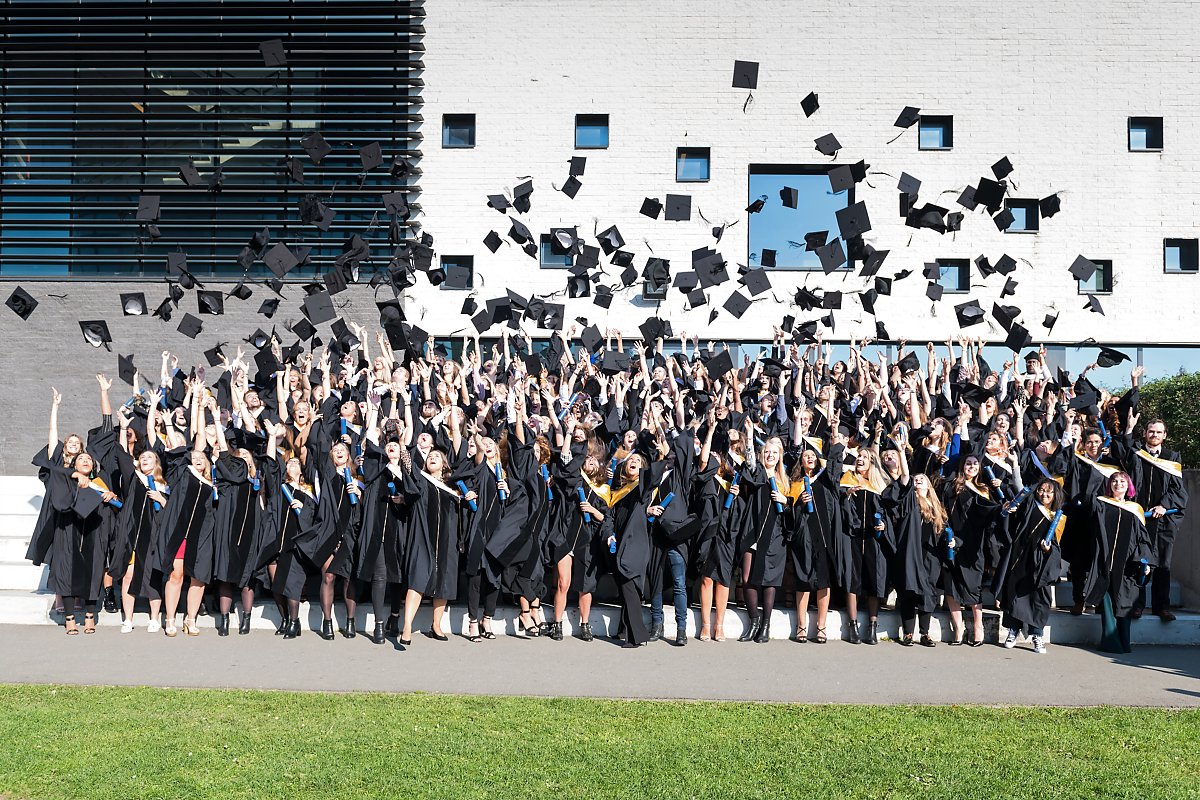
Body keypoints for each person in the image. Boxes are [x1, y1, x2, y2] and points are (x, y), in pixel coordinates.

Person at [1117, 417, 1188, 621]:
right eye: (1151, 431)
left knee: (1163, 564)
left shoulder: (1172, 457)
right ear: (1145, 433)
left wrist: (1164, 505)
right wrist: (1128, 429)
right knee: (1139, 561)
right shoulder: (1137, 454)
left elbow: (1178, 489)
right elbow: (1123, 455)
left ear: (1164, 436)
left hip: (1163, 520)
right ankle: (1137, 605)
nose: (1154, 435)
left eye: (1158, 432)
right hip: (1141, 518)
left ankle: (1161, 607)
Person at [1083, 471, 1155, 654]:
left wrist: (1145, 562)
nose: (1118, 484)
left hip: (1127, 565)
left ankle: (1124, 642)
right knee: (1106, 603)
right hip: (1104, 562)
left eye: (1123, 481)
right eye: (1114, 481)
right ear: (1110, 485)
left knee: (1124, 603)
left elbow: (1143, 540)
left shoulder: (1135, 509)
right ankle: (1110, 642)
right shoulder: (1101, 503)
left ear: (1128, 486)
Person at [997, 479, 1065, 654]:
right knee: (1014, 593)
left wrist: (1049, 549)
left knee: (1039, 598)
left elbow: (1057, 545)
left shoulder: (1058, 516)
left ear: (1055, 495)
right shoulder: (1028, 505)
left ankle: (1037, 635)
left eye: (1049, 492)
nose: (1044, 494)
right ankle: (1013, 630)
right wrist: (1009, 508)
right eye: (1041, 490)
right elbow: (1015, 515)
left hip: (1040, 562)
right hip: (1020, 557)